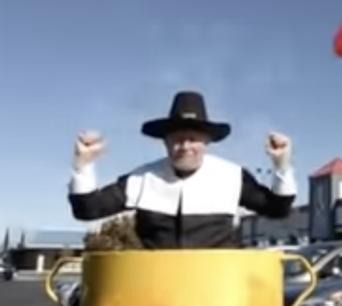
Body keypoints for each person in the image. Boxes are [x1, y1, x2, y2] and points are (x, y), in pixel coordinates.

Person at [67, 90, 298, 249]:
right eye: (177, 138)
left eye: (193, 138)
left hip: (218, 296)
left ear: (206, 142)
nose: (185, 146)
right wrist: (83, 165)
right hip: (158, 295)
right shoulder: (141, 178)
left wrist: (282, 165)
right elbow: (87, 210)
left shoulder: (232, 176)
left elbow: (277, 209)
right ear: (165, 142)